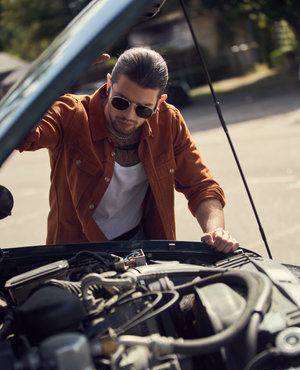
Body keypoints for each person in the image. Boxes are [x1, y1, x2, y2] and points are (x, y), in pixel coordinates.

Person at [18, 47, 239, 253]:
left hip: (141, 246)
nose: (129, 116)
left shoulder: (168, 120)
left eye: (143, 109)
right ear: (108, 84)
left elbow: (200, 186)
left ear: (159, 102)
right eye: (121, 102)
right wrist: (54, 75)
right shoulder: (70, 113)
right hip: (74, 253)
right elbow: (21, 136)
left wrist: (216, 231)